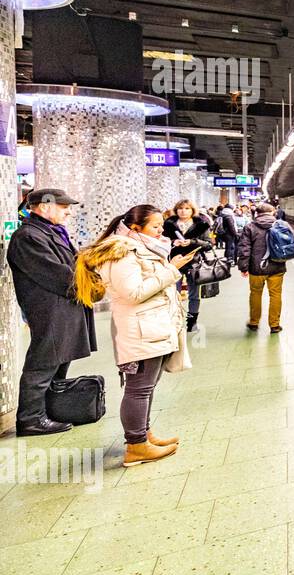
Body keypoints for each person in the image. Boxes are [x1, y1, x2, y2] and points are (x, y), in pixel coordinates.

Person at [74, 204, 196, 466]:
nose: (160, 232)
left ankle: (144, 435)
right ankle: (136, 446)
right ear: (134, 228)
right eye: (155, 227)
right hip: (139, 330)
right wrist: (172, 270)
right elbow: (132, 294)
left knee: (147, 387)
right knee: (138, 389)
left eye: (161, 226)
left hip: (152, 327)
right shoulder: (122, 253)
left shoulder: (140, 248)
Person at [6, 187, 97, 436]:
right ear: (44, 207)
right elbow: (55, 273)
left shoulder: (52, 231)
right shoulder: (28, 237)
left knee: (58, 361)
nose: (68, 212)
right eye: (63, 207)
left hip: (63, 307)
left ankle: (49, 411)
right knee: (43, 364)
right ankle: (30, 419)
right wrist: (89, 285)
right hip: (48, 308)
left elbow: (75, 264)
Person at [162, 199, 211, 332]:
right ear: (176, 210)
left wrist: (192, 242)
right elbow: (160, 241)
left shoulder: (201, 224)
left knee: (194, 294)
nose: (183, 211)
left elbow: (208, 245)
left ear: (192, 210)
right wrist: (173, 242)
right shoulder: (168, 224)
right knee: (173, 292)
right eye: (180, 208)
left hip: (193, 263)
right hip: (174, 262)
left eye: (187, 208)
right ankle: (175, 320)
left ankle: (192, 322)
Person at [238, 202, 286, 333]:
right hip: (277, 266)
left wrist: (243, 267)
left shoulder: (250, 227)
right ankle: (274, 325)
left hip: (256, 267)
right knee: (275, 295)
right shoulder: (280, 225)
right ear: (272, 213)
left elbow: (244, 249)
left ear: (257, 213)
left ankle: (254, 322)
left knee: (255, 294)